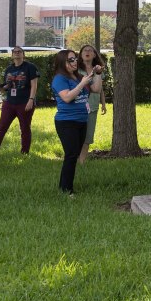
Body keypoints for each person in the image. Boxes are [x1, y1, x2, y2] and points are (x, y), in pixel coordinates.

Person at [51, 49, 96, 195]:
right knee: (70, 155)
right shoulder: (59, 79)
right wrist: (82, 84)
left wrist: (95, 74)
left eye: (75, 59)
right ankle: (66, 190)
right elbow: (67, 97)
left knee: (74, 154)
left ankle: (67, 186)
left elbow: (93, 90)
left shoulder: (77, 77)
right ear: (62, 62)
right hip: (66, 122)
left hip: (81, 121)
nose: (75, 61)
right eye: (71, 60)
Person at [0, 46, 39, 158]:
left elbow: (34, 85)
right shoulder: (9, 69)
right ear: (12, 55)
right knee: (1, 127)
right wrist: (3, 87)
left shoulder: (30, 67)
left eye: (19, 52)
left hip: (24, 102)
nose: (17, 53)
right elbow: (8, 85)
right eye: (15, 52)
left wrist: (31, 100)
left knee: (25, 128)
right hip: (9, 103)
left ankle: (25, 152)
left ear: (23, 55)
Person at [77, 44, 106, 164]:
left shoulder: (98, 70)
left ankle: (82, 162)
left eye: (90, 50)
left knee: (88, 136)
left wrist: (103, 103)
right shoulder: (76, 70)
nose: (87, 52)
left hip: (93, 106)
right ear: (81, 54)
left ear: (94, 55)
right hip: (78, 106)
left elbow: (100, 89)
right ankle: (74, 158)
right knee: (76, 134)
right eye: (85, 50)